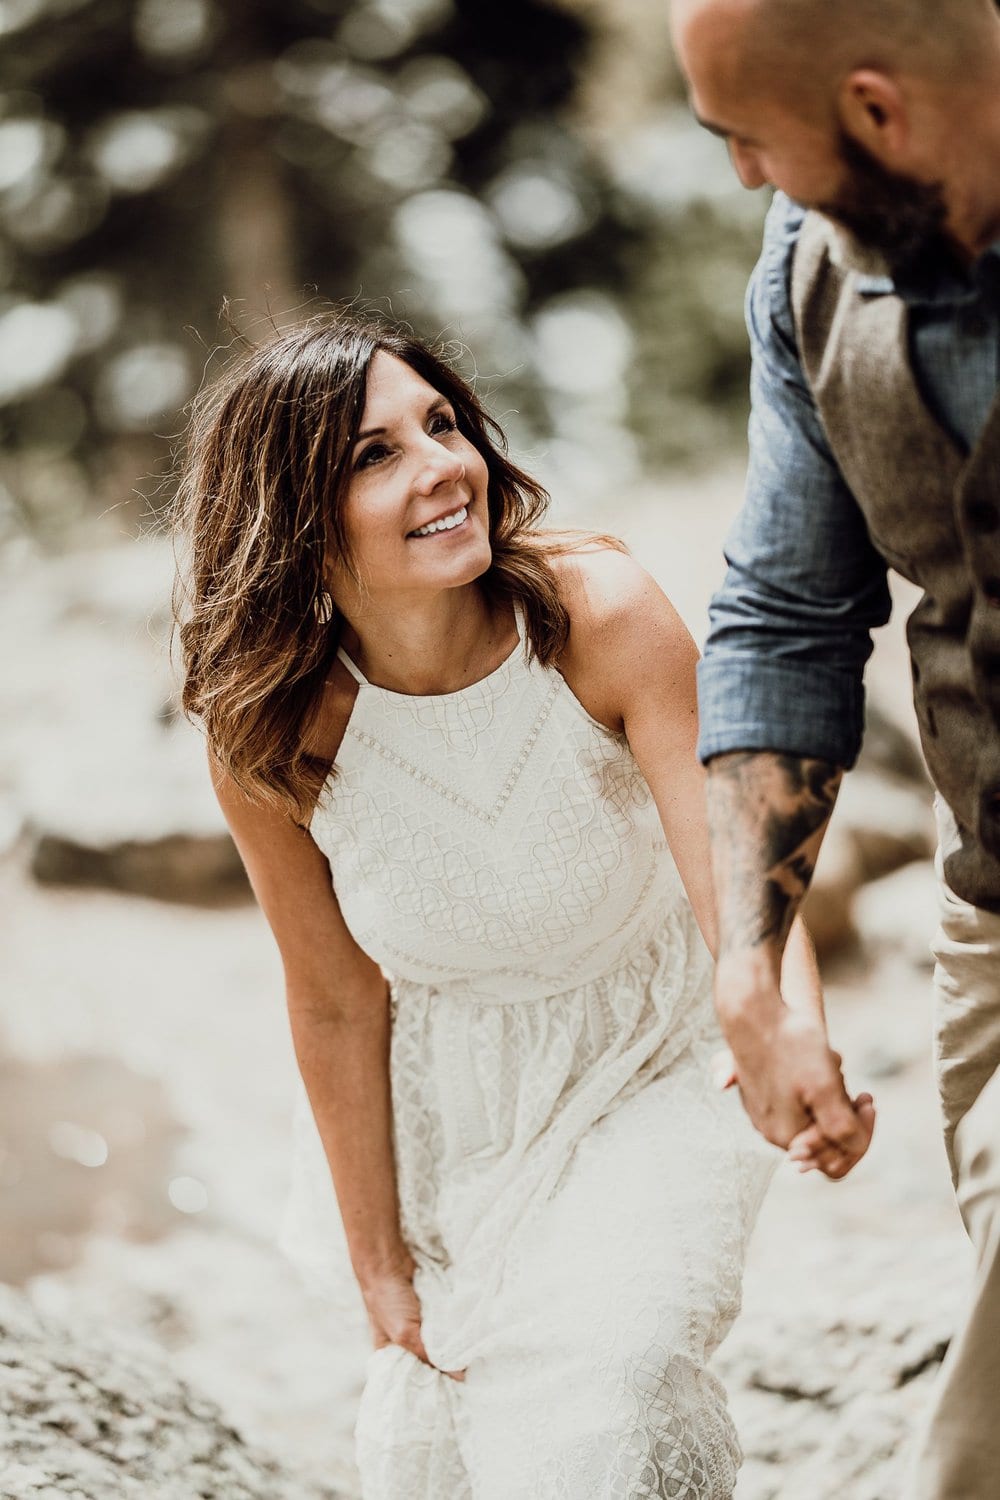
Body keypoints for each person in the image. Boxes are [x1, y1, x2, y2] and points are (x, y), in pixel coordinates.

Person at [172, 310, 864, 1498]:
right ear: (294, 517)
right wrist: (376, 1257)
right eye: (373, 454)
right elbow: (335, 1000)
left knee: (600, 1393)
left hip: (657, 1059)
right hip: (457, 1112)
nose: (443, 465)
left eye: (440, 424)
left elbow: (733, 862)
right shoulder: (267, 733)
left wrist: (787, 1029)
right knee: (434, 1463)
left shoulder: (594, 614)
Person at [668, 0, 1000, 1494]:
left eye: (747, 137)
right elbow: (791, 612)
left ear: (877, 113)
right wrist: (753, 956)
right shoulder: (809, 276)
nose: (743, 177)